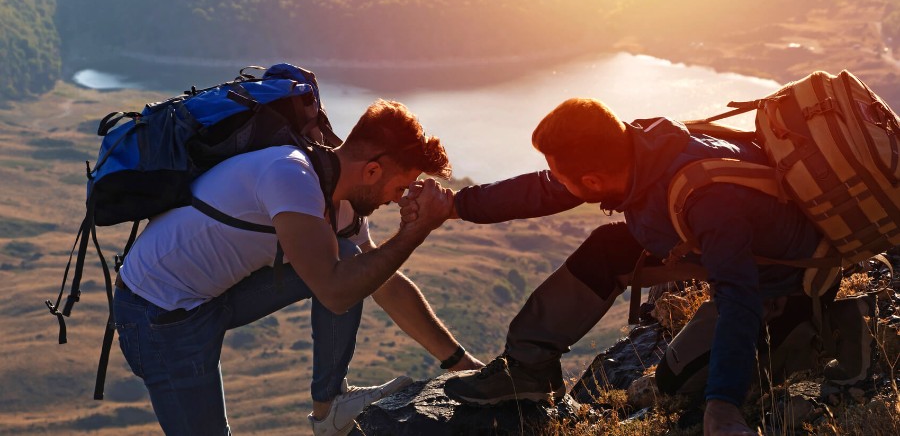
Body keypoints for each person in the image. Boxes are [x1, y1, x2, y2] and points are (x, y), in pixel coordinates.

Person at [424, 98, 872, 436]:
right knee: (608, 247)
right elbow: (546, 189)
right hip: (730, 254)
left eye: (567, 178)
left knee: (679, 382)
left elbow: (739, 297)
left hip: (781, 285)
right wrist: (456, 205)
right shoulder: (638, 146)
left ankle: (827, 327)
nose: (559, 184)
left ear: (593, 182)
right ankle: (526, 368)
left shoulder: (708, 200)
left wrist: (724, 404)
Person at [113, 99, 482, 436]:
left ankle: (329, 408)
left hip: (213, 296)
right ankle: (330, 410)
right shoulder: (290, 175)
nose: (396, 199)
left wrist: (460, 363)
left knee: (353, 259)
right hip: (159, 315)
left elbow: (383, 282)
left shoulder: (343, 204)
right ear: (371, 170)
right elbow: (336, 293)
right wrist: (414, 232)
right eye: (400, 187)